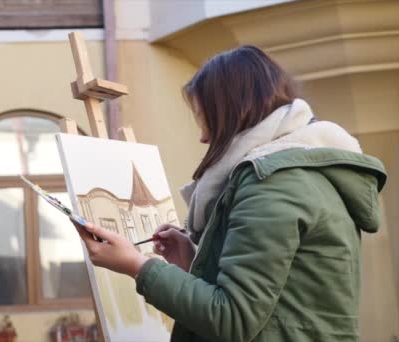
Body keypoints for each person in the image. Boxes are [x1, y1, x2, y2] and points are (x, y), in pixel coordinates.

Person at [71, 45, 387, 341]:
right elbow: (282, 299)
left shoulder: (276, 184)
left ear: (232, 113)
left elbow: (233, 319)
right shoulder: (301, 175)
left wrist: (138, 266)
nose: (203, 137)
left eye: (204, 119)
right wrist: (196, 260)